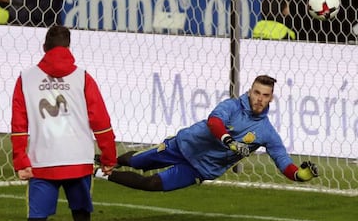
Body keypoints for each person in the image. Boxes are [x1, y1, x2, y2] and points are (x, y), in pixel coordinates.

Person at [94, 75, 318, 192]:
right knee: (135, 161)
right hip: (184, 145)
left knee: (152, 184)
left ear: (271, 98)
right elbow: (214, 122)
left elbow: (283, 161)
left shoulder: (267, 132)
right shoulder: (232, 106)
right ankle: (106, 160)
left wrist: (300, 175)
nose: (259, 98)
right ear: (250, 91)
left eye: (265, 95)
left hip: (200, 168)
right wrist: (229, 142)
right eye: (256, 92)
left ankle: (98, 172)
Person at [10, 25, 117, 221]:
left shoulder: (26, 78)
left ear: (44, 47)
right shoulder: (83, 77)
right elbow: (101, 121)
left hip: (43, 161)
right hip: (78, 161)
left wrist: (21, 160)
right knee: (82, 219)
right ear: (68, 47)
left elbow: (19, 125)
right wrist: (109, 157)